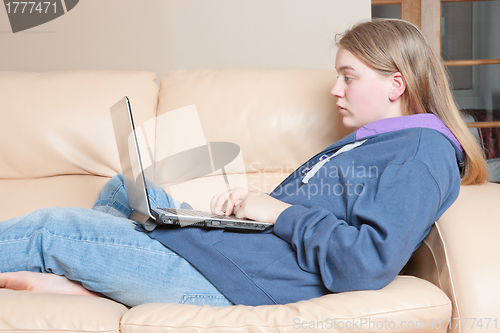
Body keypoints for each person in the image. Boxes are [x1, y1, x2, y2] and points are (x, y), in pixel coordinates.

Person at [0, 19, 488, 307]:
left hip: (233, 281)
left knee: (51, 230)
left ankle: (95, 273)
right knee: (120, 189)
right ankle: (101, 283)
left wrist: (277, 213)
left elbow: (365, 263)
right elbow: (323, 214)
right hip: (234, 256)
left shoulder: (421, 153)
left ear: (395, 85)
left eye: (348, 77)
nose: (335, 90)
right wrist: (252, 207)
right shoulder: (378, 143)